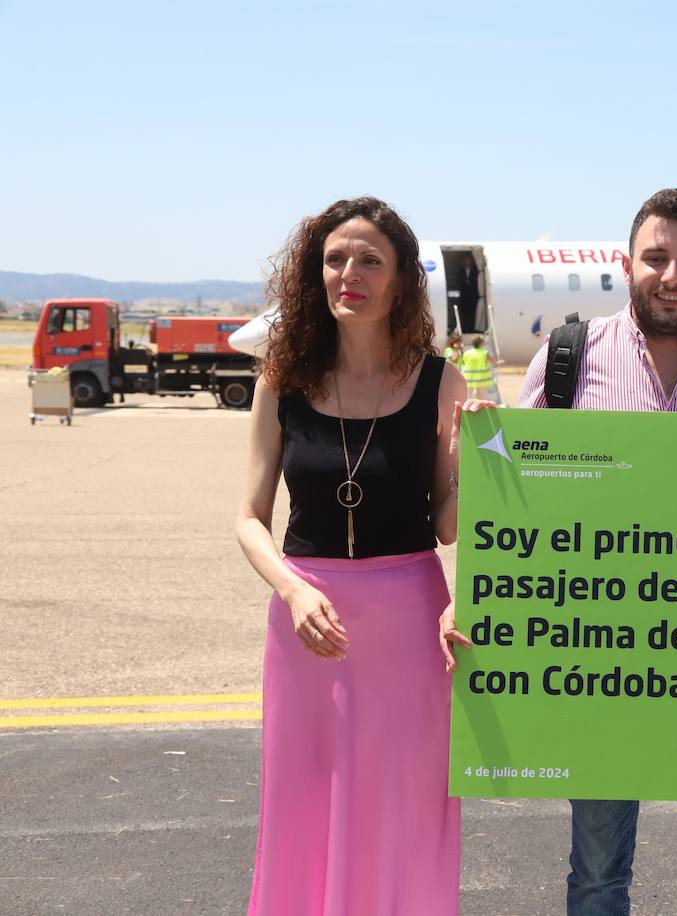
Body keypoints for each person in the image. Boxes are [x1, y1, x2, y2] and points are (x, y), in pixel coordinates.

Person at [465, 187, 677, 916]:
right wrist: (485, 435)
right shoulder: (567, 359)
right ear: (626, 263)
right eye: (656, 257)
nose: (671, 274)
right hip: (605, 660)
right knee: (597, 872)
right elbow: (515, 501)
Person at [236, 196, 469, 916]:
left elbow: (453, 525)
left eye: (371, 260)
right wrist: (293, 591)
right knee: (303, 807)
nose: (350, 273)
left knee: (403, 806)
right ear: (316, 273)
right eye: (335, 258)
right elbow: (248, 519)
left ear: (401, 279)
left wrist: (471, 459)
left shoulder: (443, 380)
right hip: (307, 624)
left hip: (410, 621)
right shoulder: (281, 379)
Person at [460, 334, 504, 404]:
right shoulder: (484, 353)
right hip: (482, 380)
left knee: (468, 398)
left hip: (469, 379)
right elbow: (495, 364)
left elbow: (463, 364)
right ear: (481, 343)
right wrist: (499, 363)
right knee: (481, 399)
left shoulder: (466, 353)